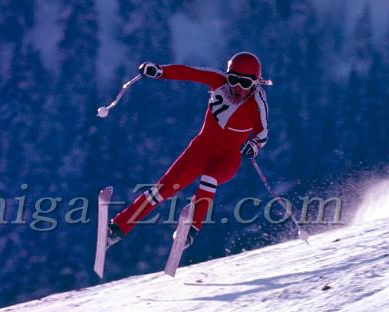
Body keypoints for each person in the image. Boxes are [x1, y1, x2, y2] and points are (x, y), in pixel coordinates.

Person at [108, 52, 270, 249]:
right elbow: (189, 72)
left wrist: (254, 145)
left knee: (209, 180)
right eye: (233, 79)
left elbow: (262, 133)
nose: (237, 87)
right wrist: (159, 71)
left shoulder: (257, 102)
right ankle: (117, 228)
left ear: (255, 83)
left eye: (244, 83)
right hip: (199, 150)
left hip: (226, 159)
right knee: (162, 190)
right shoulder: (217, 80)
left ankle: (190, 229)